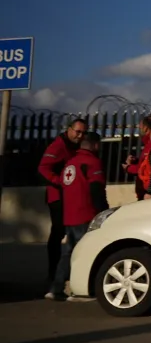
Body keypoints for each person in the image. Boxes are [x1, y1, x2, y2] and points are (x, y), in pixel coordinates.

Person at [47, 131, 108, 301]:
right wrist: (103, 211)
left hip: (69, 216)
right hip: (86, 214)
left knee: (67, 253)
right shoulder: (92, 162)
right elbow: (96, 190)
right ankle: (77, 290)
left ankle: (56, 288)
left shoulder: (70, 164)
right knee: (84, 253)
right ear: (95, 145)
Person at [37, 117, 86, 285]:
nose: (80, 136)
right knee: (58, 232)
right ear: (69, 129)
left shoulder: (75, 147)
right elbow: (43, 167)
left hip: (69, 196)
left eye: (83, 133)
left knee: (69, 232)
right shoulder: (58, 146)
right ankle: (53, 272)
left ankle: (64, 271)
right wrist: (59, 181)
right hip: (57, 196)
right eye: (77, 132)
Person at [122, 116, 151, 201]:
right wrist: (137, 161)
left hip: (147, 191)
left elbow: (146, 168)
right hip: (145, 190)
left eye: (140, 127)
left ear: (145, 128)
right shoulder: (149, 143)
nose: (139, 130)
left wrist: (128, 168)